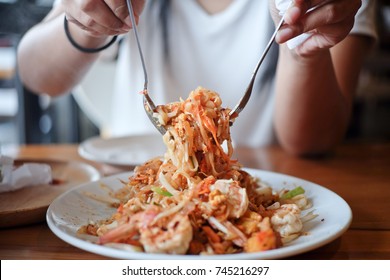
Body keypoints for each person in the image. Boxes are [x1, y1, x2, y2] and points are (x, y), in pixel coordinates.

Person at [17, 0, 377, 156]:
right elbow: (39, 76)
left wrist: (302, 45)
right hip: (124, 186)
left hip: (269, 182)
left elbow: (314, 141)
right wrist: (87, 23)